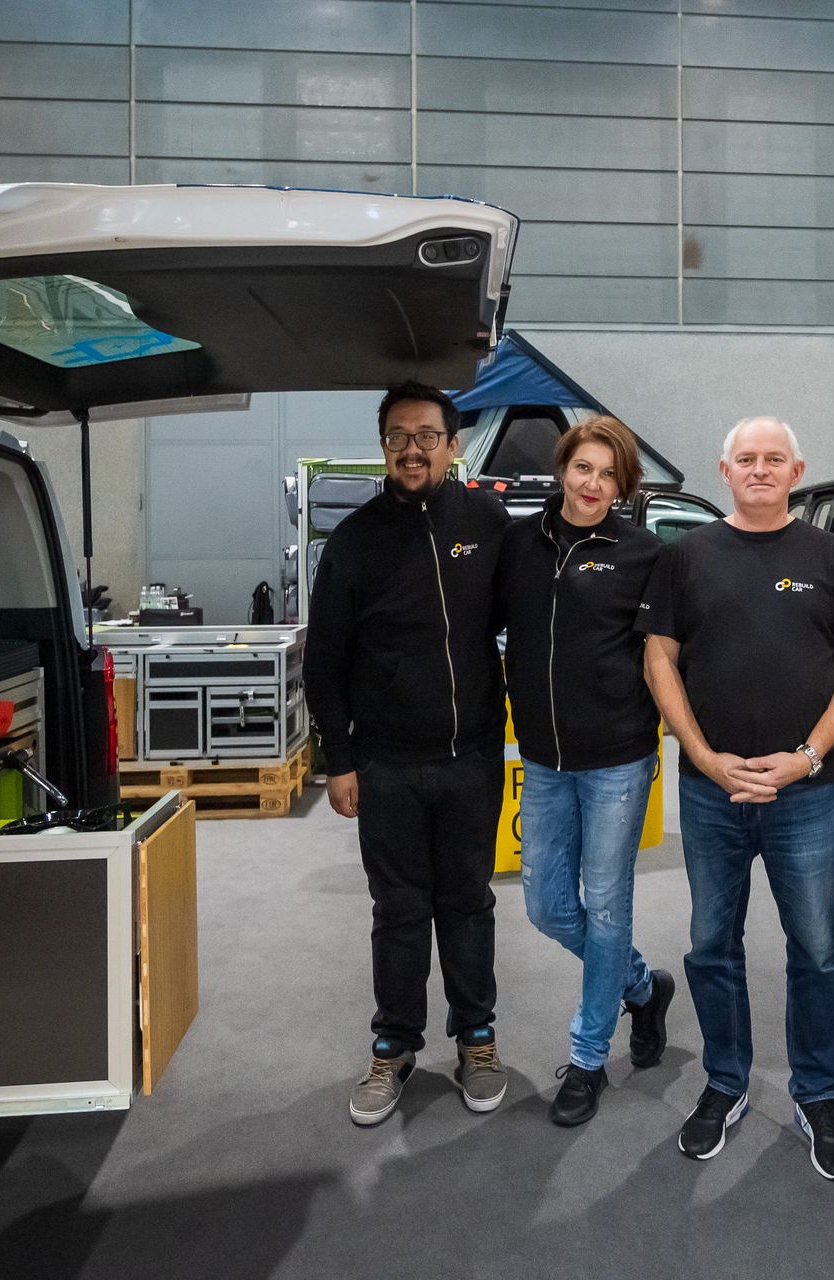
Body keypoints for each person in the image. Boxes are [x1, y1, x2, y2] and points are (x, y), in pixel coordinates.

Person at [638, 416, 834, 1182]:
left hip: (806, 793)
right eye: (746, 458)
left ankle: (817, 1095)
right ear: (724, 470)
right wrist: (703, 757)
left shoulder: (831, 557)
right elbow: (658, 661)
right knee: (712, 944)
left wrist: (806, 756)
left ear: (796, 471)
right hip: (711, 792)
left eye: (775, 458)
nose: (759, 469)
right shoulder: (685, 557)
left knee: (816, 949)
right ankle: (726, 1082)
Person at [306, 381, 512, 1127]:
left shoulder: (487, 523)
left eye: (428, 435)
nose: (413, 449)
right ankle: (393, 1046)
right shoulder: (355, 541)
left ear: (454, 446)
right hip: (385, 763)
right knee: (398, 909)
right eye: (398, 436)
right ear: (384, 447)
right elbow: (324, 660)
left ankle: (476, 1038)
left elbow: (534, 612)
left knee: (467, 902)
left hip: (470, 758)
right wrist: (339, 760)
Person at [494, 415, 674, 1129]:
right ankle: (642, 986)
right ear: (562, 470)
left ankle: (589, 1056)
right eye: (583, 468)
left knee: (605, 906)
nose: (593, 484)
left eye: (609, 475)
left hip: (618, 759)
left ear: (623, 486)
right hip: (543, 757)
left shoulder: (643, 554)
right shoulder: (519, 546)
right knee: (546, 906)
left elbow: (667, 649)